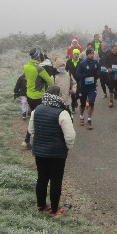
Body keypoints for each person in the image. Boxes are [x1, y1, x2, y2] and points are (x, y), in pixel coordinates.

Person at [28, 85, 76, 218]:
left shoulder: (36, 110)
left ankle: (41, 206)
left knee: (42, 178)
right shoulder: (62, 112)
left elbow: (31, 130)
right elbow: (70, 135)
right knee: (56, 180)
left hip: (39, 151)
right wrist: (67, 147)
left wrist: (40, 140)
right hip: (57, 153)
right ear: (58, 95)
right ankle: (54, 210)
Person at [22, 48, 53, 149]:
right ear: (39, 57)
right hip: (39, 97)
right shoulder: (39, 69)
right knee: (40, 119)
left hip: (29, 96)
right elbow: (50, 82)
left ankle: (27, 140)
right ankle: (34, 141)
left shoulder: (26, 67)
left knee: (33, 117)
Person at [76, 47, 100, 129]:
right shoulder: (82, 64)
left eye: (92, 54)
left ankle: (89, 120)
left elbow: (98, 71)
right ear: (87, 55)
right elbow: (77, 75)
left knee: (91, 102)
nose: (92, 55)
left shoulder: (95, 62)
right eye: (90, 54)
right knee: (83, 104)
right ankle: (81, 116)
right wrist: (86, 75)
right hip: (83, 87)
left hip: (92, 87)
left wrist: (97, 75)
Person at [102, 42, 117, 107]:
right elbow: (105, 63)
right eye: (114, 49)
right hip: (111, 73)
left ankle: (116, 91)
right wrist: (108, 68)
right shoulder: (108, 55)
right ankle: (111, 101)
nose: (115, 50)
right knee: (111, 87)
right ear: (111, 49)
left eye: (116, 49)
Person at [66, 48, 81, 113]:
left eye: (77, 54)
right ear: (72, 54)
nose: (76, 55)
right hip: (71, 80)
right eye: (75, 54)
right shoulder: (69, 61)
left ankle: (75, 101)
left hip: (79, 79)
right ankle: (73, 107)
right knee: (72, 94)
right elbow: (66, 70)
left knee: (78, 93)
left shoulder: (81, 61)